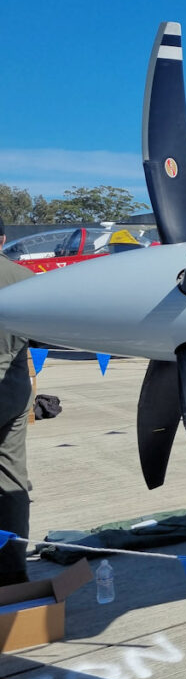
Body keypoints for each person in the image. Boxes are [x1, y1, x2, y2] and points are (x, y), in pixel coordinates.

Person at [0, 217, 34, 585]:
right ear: (3, 239)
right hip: (13, 387)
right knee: (10, 477)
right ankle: (12, 569)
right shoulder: (24, 278)